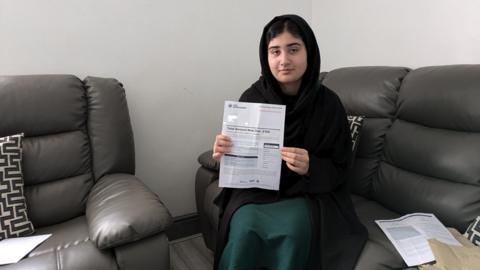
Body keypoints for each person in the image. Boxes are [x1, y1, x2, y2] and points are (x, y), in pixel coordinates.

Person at [212, 14, 367, 270]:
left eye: (293, 49)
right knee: (244, 229)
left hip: (307, 194)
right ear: (266, 57)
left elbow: (341, 167)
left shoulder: (329, 105)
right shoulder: (252, 98)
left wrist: (311, 167)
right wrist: (226, 151)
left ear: (309, 51)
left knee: (294, 233)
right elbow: (240, 161)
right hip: (257, 193)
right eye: (275, 51)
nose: (284, 60)